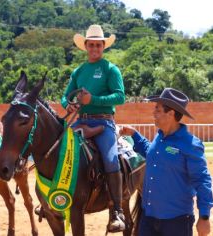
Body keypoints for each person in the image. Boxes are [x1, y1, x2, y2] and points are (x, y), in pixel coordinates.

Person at [119, 88, 213, 236]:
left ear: (170, 114)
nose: (153, 113)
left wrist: (204, 216)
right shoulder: (159, 138)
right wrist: (134, 134)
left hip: (176, 221)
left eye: (157, 109)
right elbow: (151, 152)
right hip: (148, 218)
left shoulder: (190, 144)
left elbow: (202, 180)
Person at [61, 24, 126, 232]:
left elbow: (120, 96)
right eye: (91, 45)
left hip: (104, 121)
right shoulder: (78, 71)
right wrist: (68, 104)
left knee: (110, 158)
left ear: (103, 46)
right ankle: (55, 201)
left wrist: (93, 99)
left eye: (99, 45)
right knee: (61, 152)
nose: (95, 48)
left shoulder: (110, 69)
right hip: (81, 120)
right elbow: (65, 96)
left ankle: (117, 209)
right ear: (86, 46)